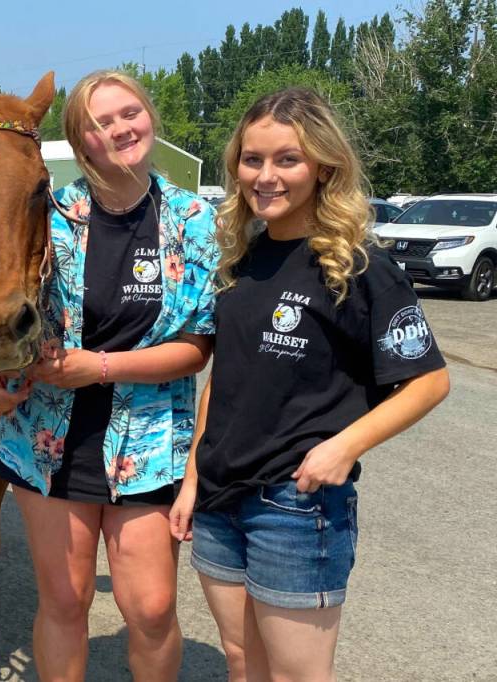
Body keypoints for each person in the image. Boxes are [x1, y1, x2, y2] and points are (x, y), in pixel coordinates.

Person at [169, 88, 450, 681]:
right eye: (252, 159)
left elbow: (429, 382)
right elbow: (228, 377)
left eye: (286, 160)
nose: (265, 176)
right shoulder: (242, 260)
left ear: (323, 167)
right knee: (242, 662)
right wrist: (194, 478)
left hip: (295, 507)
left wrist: (342, 447)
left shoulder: (358, 265)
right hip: (220, 497)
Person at [0, 69, 219, 681]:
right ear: (80, 142)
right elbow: (1, 309)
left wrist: (99, 367)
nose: (119, 129)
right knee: (63, 600)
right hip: (50, 438)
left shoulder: (191, 220)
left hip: (150, 439)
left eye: (128, 113)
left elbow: (196, 345)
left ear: (150, 119)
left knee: (153, 608)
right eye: (99, 122)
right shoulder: (50, 216)